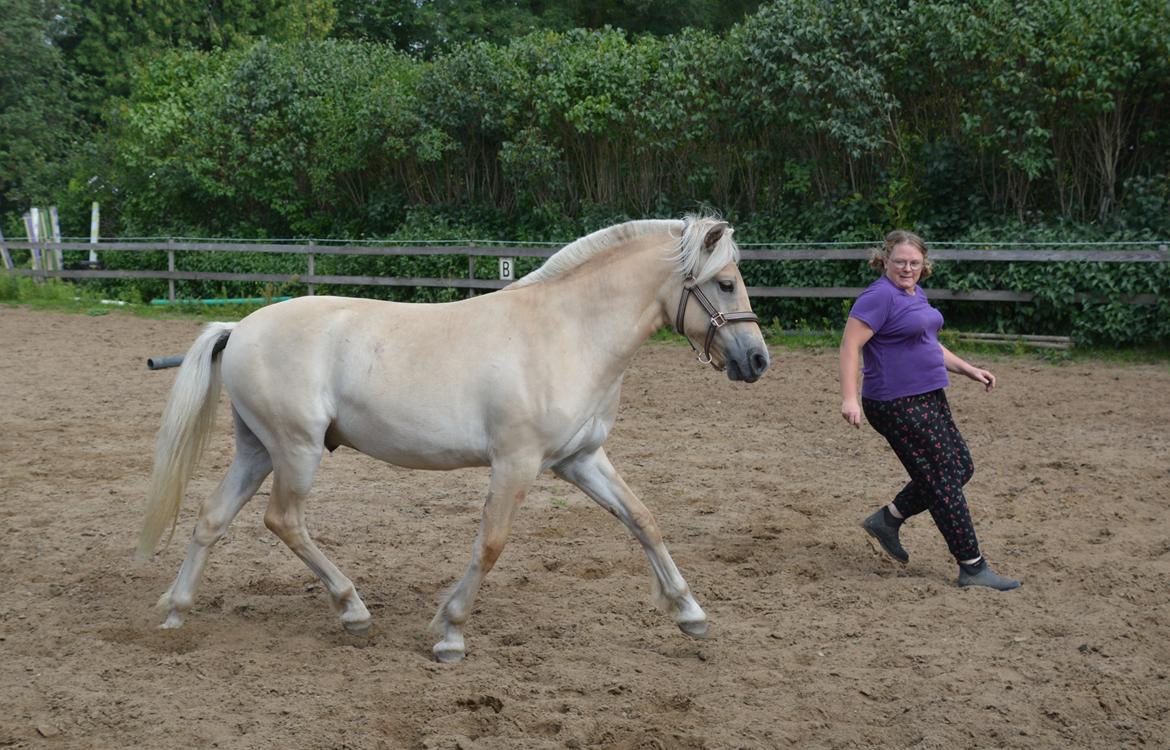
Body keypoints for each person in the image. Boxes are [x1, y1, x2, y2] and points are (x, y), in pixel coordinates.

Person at [838, 229, 1020, 591]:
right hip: (895, 402)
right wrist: (849, 397)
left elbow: (928, 343)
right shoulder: (878, 297)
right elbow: (849, 346)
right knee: (941, 478)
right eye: (900, 262)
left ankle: (888, 519)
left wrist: (968, 368)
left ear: (924, 264)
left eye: (915, 263)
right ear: (885, 260)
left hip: (929, 395)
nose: (907, 268)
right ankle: (972, 565)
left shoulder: (913, 293)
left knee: (960, 467)